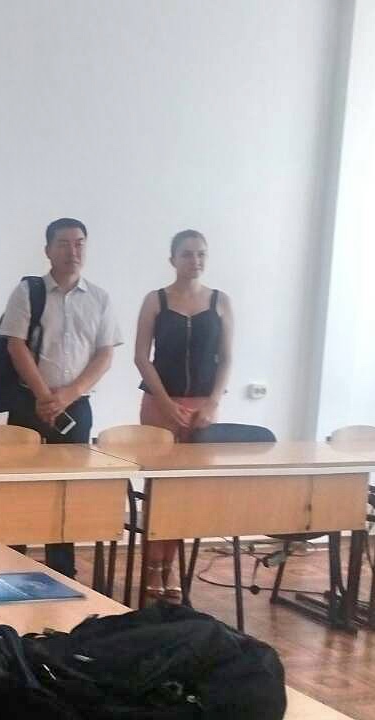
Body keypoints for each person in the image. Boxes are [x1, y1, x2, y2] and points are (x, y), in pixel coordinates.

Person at [2, 217, 122, 577]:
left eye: (79, 243)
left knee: (65, 491)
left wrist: (69, 394)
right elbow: (15, 344)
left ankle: (62, 571)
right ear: (48, 250)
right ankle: (13, 567)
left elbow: (104, 354)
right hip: (29, 404)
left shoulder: (99, 298)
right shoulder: (29, 291)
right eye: (64, 243)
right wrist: (44, 395)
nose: (73, 251)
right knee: (20, 490)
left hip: (76, 408)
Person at [133, 229, 233, 601]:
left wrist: (212, 403)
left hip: (202, 406)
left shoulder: (220, 301)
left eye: (201, 254)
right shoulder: (156, 300)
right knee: (159, 488)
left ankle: (170, 565)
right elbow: (141, 357)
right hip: (160, 404)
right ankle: (151, 564)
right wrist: (164, 402)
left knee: (184, 492)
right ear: (172, 259)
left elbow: (227, 359)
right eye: (188, 254)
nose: (195, 260)